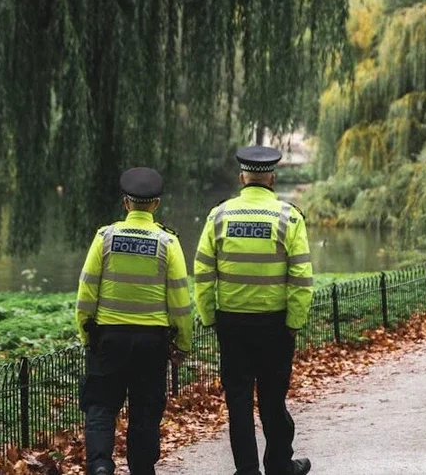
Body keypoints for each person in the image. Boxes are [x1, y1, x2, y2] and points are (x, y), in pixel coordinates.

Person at [194, 146, 314, 475]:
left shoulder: (219, 216)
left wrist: (210, 317)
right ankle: (278, 465)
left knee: (239, 401)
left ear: (241, 178)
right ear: (272, 179)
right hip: (275, 324)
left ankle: (246, 470)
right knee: (273, 399)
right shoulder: (289, 217)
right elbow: (301, 277)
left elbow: (203, 274)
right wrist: (293, 323)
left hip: (232, 324)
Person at [76, 167, 193, 475]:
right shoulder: (168, 243)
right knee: (145, 408)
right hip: (151, 343)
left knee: (100, 405)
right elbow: (180, 300)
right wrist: (182, 343)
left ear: (126, 203)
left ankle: (100, 465)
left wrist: (87, 332)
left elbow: (87, 290)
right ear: (155, 204)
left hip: (108, 338)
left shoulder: (105, 237)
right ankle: (142, 468)